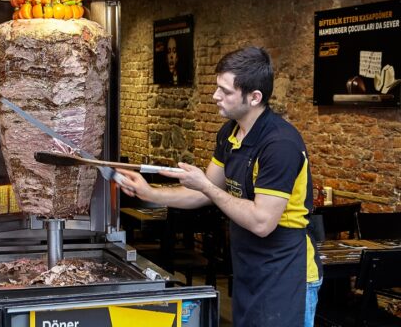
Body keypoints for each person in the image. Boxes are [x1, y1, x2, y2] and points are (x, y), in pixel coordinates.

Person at [117, 46, 322, 327]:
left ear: (254, 97)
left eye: (225, 91)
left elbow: (262, 221)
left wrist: (207, 187)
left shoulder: (279, 145)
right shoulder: (230, 132)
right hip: (250, 269)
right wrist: (149, 193)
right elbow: (200, 191)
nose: (216, 97)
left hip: (287, 273)